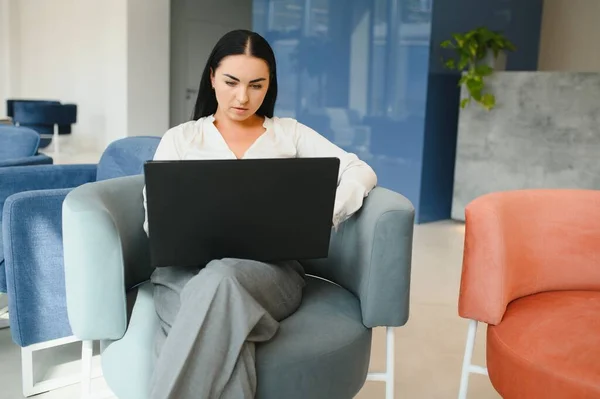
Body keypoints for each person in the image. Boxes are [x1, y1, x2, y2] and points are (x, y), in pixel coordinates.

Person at [144, 29, 377, 399]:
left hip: (271, 273)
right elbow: (152, 220)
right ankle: (247, 321)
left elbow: (359, 169)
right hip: (184, 274)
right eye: (231, 82)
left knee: (221, 280)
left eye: (257, 85)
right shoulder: (180, 139)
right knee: (222, 316)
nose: (243, 97)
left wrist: (326, 213)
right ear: (211, 78)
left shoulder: (290, 134)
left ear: (270, 85)